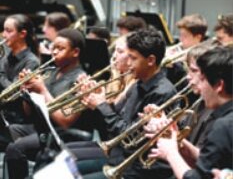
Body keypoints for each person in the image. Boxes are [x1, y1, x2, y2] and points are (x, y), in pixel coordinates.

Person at [70, 28, 177, 179]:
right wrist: (96, 100)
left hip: (138, 169)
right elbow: (112, 125)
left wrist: (102, 106)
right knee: (64, 163)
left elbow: (129, 138)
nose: (128, 62)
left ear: (151, 60)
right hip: (118, 157)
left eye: (133, 58)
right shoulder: (137, 84)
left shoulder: (161, 93)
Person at [4, 28, 86, 179]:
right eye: (53, 47)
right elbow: (29, 112)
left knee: (15, 149)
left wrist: (42, 90)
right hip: (40, 126)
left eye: (61, 48)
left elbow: (65, 121)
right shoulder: (51, 72)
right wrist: (27, 92)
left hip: (62, 134)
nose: (54, 52)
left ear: (75, 52)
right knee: (8, 135)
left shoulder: (80, 79)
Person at [149, 46, 233, 179]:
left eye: (203, 79)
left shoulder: (223, 126)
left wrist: (170, 153)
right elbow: (212, 160)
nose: (198, 85)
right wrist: (178, 139)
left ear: (219, 85)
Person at [0, 14, 40, 150]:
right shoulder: (6, 57)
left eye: (8, 31)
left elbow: (13, 92)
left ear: (22, 34)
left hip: (16, 119)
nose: (3, 35)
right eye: (3, 30)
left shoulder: (31, 61)